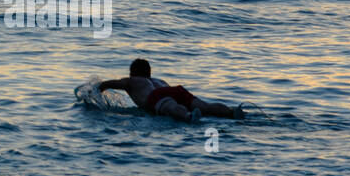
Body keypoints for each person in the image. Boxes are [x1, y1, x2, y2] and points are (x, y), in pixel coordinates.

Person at [96, 59, 245, 123]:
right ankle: (231, 112)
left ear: (132, 72)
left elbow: (109, 83)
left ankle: (187, 117)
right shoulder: (159, 81)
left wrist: (94, 89)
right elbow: (168, 93)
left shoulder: (132, 81)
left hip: (156, 96)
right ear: (149, 72)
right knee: (205, 106)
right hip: (174, 89)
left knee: (170, 107)